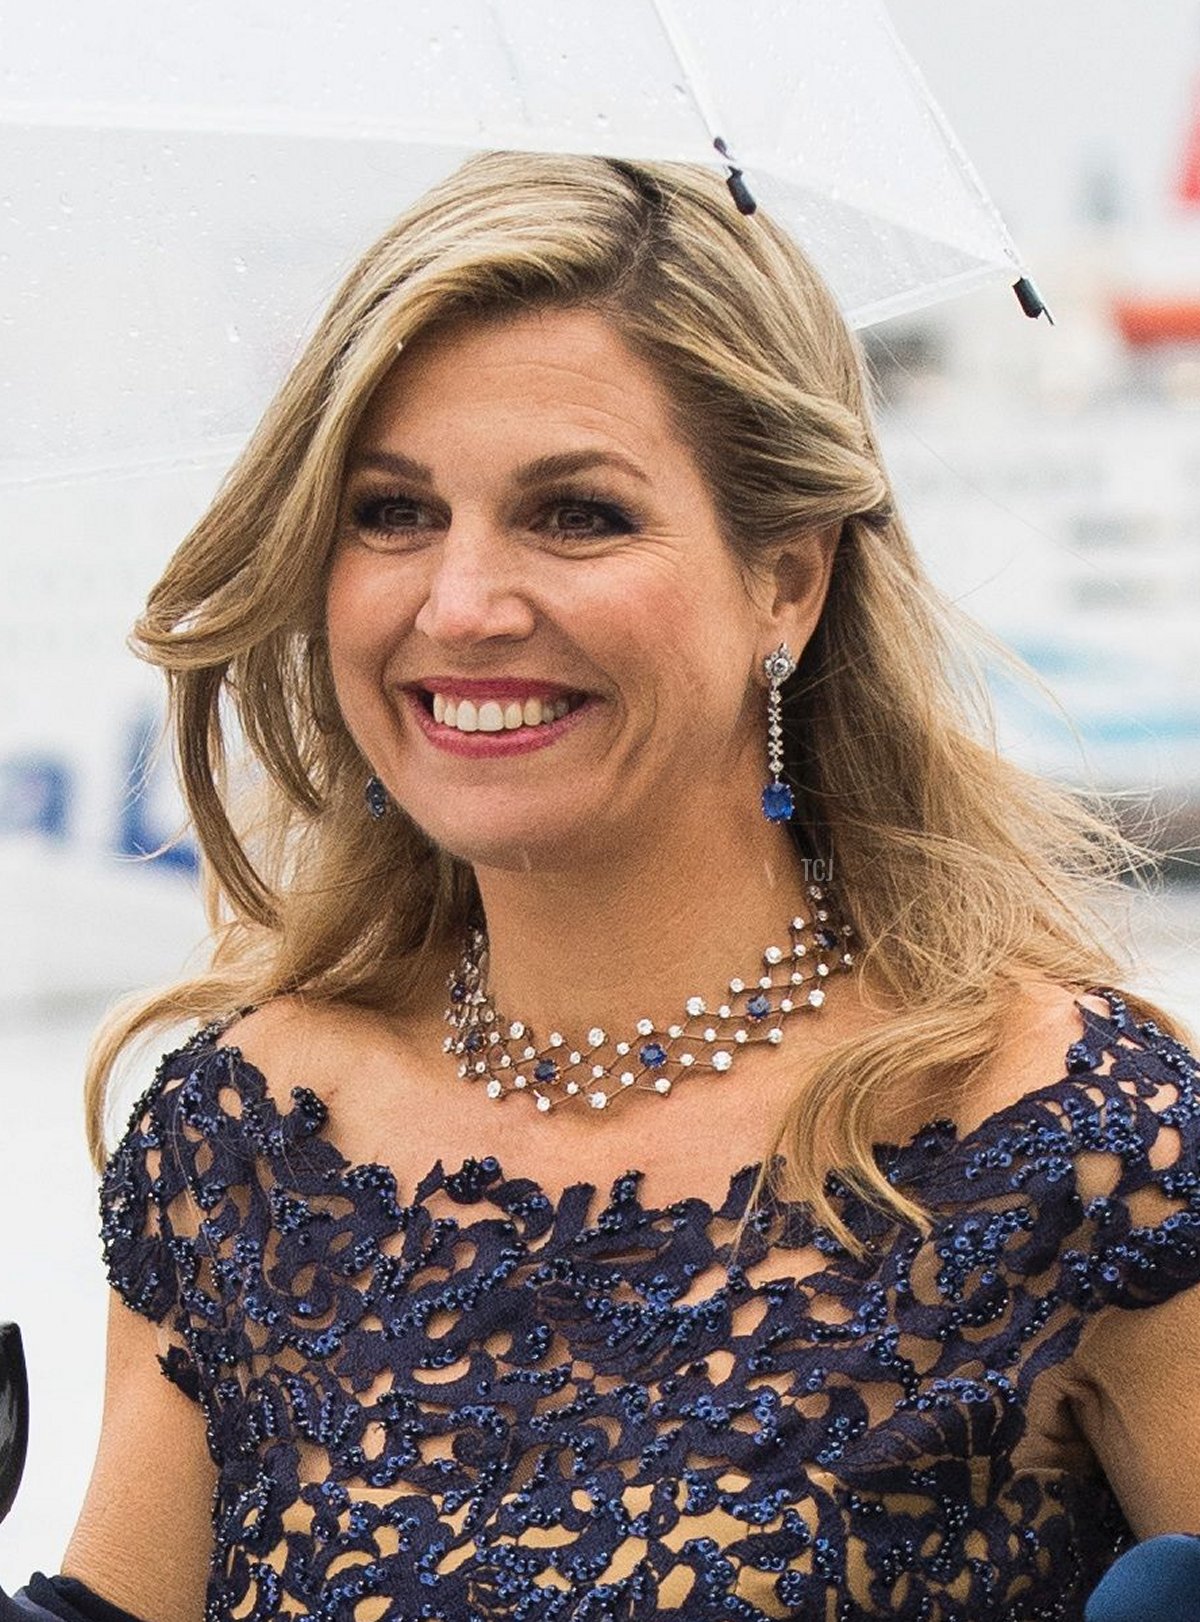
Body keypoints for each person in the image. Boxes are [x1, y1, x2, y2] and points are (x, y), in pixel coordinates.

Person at [10, 151, 1200, 1621]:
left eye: (575, 514)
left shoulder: (1071, 1144)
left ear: (789, 579)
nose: (461, 604)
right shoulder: (245, 1142)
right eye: (392, 512)